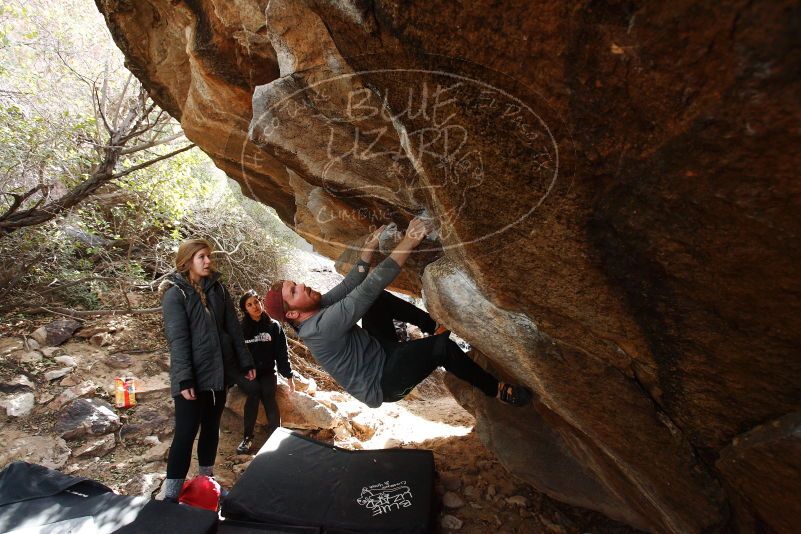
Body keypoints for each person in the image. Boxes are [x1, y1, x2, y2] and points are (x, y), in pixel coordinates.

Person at [263, 218, 531, 409]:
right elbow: (367, 288)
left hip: (379, 350)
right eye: (294, 291)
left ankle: (432, 325)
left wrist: (368, 249)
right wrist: (409, 241)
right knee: (441, 349)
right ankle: (496, 390)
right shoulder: (320, 329)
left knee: (377, 301)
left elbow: (348, 287)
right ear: (294, 315)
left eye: (295, 284)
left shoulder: (314, 309)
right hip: (382, 381)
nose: (303, 286)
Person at [158, 238, 255, 503]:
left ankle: (206, 484)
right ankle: (171, 496)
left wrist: (244, 362)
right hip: (191, 378)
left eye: (208, 256)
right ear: (187, 260)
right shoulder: (175, 295)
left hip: (218, 374)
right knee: (186, 433)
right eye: (201, 256)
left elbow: (233, 329)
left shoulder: (219, 290)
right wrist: (184, 378)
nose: (208, 261)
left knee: (212, 428)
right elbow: (178, 340)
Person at [235, 289, 295, 454]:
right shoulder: (241, 328)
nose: (255, 306)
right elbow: (236, 353)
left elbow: (281, 354)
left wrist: (289, 376)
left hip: (267, 371)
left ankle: (277, 437)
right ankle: (247, 439)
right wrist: (244, 370)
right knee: (254, 392)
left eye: (256, 302)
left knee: (269, 394)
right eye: (249, 305)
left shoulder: (273, 326)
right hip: (247, 372)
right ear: (245, 309)